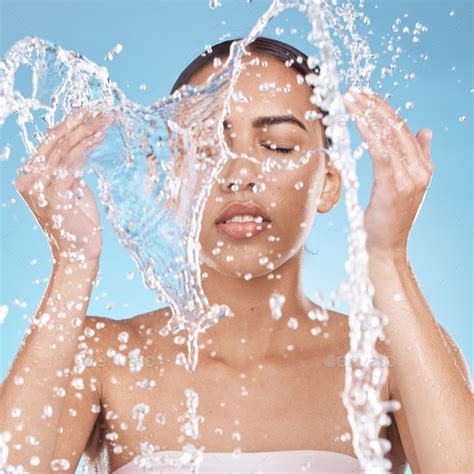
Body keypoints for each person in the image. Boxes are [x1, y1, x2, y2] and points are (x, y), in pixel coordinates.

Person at [0, 37, 471, 474]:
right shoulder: (97, 355)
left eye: (277, 145)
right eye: (205, 146)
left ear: (328, 181)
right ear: (167, 177)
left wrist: (387, 258)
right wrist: (73, 261)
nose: (239, 172)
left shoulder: (388, 357)